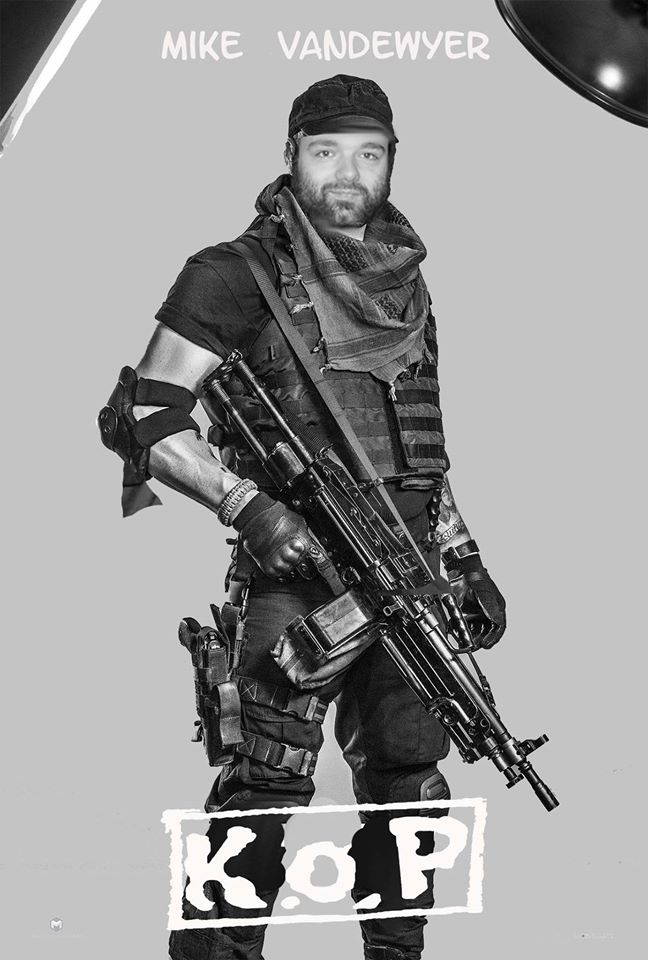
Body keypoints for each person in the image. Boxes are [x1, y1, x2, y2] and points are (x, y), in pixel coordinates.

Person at [99, 74, 506, 960]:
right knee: (262, 786)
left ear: (393, 161)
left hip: (409, 575)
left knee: (410, 785)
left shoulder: (405, 283)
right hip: (296, 575)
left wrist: (463, 554)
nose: (348, 173)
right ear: (290, 156)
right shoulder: (231, 274)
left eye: (369, 153)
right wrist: (249, 509)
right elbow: (143, 415)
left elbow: (417, 450)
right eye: (326, 152)